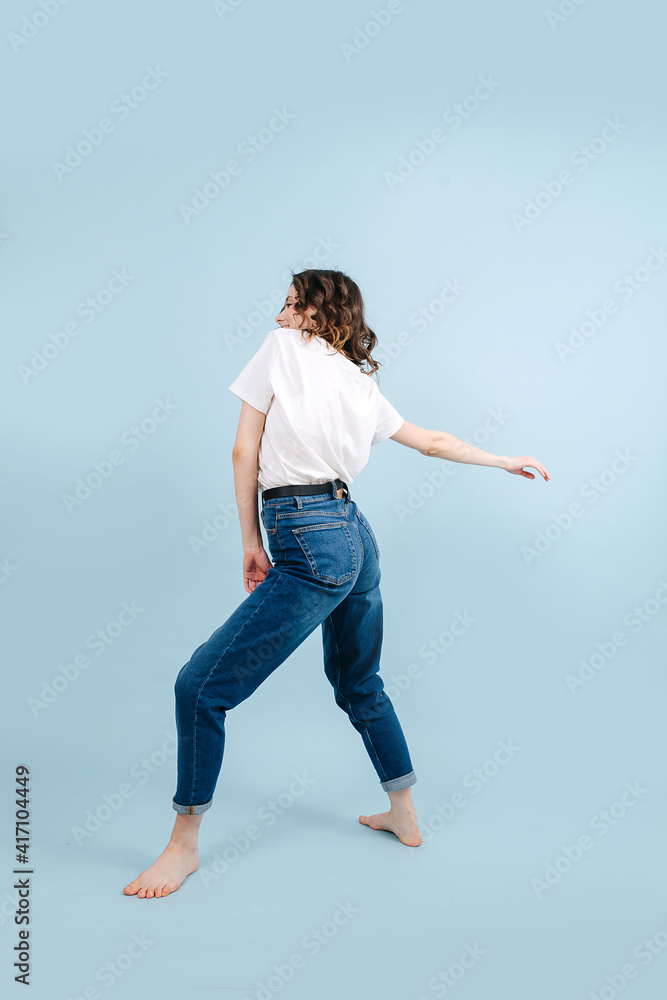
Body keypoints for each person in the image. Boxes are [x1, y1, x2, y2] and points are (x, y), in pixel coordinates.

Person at [123, 268, 550, 899]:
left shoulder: (279, 352)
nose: (279, 318)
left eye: (291, 306)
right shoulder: (359, 380)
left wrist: (252, 542)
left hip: (305, 532)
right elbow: (429, 442)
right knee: (359, 682)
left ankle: (181, 847)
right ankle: (403, 814)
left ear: (320, 314)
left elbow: (244, 452)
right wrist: (502, 459)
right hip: (355, 534)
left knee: (199, 687)